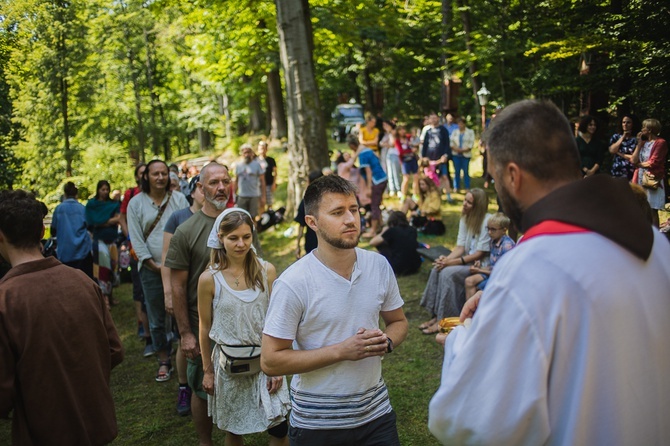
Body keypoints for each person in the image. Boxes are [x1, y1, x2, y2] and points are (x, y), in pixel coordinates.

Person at [428, 99, 670, 445]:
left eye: (495, 178)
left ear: (512, 175)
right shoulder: (655, 245)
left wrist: (461, 340)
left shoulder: (532, 266)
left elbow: (473, 422)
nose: (496, 187)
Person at [261, 174, 409, 446]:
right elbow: (271, 360)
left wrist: (386, 342)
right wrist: (341, 351)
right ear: (312, 222)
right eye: (338, 212)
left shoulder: (378, 266)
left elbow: (398, 321)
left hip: (376, 414)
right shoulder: (293, 283)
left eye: (354, 209)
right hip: (318, 425)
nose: (351, 219)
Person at [0, 189, 124, 445]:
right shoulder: (81, 280)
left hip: (44, 430)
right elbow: (113, 349)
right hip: (96, 423)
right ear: (42, 231)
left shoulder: (6, 299)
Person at [198, 208, 290, 445]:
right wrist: (207, 370)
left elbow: (277, 320)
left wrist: (277, 366)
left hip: (266, 360)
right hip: (230, 365)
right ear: (220, 238)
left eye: (246, 237)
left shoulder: (266, 271)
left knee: (279, 427)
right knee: (234, 429)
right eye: (233, 238)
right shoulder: (209, 279)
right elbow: (204, 326)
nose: (241, 244)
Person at [165, 162, 232, 446]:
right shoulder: (187, 230)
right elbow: (178, 286)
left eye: (225, 181)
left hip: (237, 325)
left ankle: (233, 437)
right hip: (201, 324)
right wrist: (186, 333)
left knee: (234, 386)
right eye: (214, 182)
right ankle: (206, 442)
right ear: (201, 189)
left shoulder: (240, 222)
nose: (221, 187)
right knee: (202, 388)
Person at [127, 160, 189, 383]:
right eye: (156, 174)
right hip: (150, 268)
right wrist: (152, 263)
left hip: (179, 267)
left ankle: (185, 351)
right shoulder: (136, 203)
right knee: (156, 315)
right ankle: (164, 358)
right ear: (147, 177)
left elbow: (185, 230)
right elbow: (135, 237)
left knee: (182, 310)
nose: (161, 177)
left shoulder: (179, 199)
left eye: (164, 173)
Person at [160, 174, 204, 416]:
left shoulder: (219, 217)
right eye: (201, 187)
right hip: (183, 291)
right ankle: (184, 387)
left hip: (209, 295)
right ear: (195, 190)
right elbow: (166, 256)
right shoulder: (178, 218)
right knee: (185, 342)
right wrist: (168, 292)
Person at [418, 188, 491, 334]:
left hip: (480, 266)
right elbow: (460, 247)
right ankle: (435, 314)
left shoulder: (487, 221)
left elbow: (479, 254)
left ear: (478, 206)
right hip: (468, 262)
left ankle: (444, 319)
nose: (464, 204)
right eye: (465, 200)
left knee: (447, 274)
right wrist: (445, 259)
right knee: (437, 268)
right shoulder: (465, 218)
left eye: (469, 202)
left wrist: (451, 263)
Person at [119, 163, 152, 355]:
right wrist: (129, 235)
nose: (143, 177)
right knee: (139, 290)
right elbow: (122, 217)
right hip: (136, 250)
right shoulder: (131, 195)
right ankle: (143, 324)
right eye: (141, 174)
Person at [86, 180, 121, 307]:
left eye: (107, 189)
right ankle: (105, 298)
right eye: (102, 189)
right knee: (102, 269)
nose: (105, 192)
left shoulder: (112, 204)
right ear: (98, 190)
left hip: (112, 239)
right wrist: (107, 221)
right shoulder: (92, 204)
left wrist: (102, 221)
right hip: (99, 240)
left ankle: (110, 296)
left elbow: (119, 218)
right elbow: (92, 221)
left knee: (113, 267)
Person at [464, 212, 515, 298]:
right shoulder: (493, 241)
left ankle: (477, 310)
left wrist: (479, 270)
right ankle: (470, 310)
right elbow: (492, 265)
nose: (489, 232)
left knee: (479, 290)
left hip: (501, 277)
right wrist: (479, 267)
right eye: (488, 228)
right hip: (491, 273)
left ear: (504, 230)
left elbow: (503, 272)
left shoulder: (507, 246)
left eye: (493, 229)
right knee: (469, 281)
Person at [51, 181, 94, 278]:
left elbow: (53, 230)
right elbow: (90, 226)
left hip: (64, 252)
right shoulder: (82, 209)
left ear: (65, 194)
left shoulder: (59, 209)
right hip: (82, 252)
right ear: (76, 194)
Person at [631, 118, 668, 227]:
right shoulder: (643, 143)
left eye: (644, 127)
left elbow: (654, 162)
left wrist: (639, 164)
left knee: (652, 209)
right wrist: (639, 144)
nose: (641, 129)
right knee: (641, 207)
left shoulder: (661, 143)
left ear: (650, 129)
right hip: (640, 178)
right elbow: (633, 160)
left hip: (652, 179)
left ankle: (656, 236)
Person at [353, 136, 388, 237]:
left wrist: (368, 187)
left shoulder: (362, 155)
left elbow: (368, 172)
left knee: (374, 205)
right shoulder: (368, 150)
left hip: (376, 180)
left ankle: (373, 231)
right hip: (383, 178)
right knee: (376, 203)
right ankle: (381, 225)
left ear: (352, 146)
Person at [369, 210, 422, 276]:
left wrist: (383, 231)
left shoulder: (392, 231)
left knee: (381, 245)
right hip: (415, 265)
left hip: (398, 267)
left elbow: (372, 242)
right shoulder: (412, 229)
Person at [421, 112, 453, 202]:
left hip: (441, 158)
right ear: (429, 120)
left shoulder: (443, 130)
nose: (433, 120)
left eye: (435, 118)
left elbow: (447, 143)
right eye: (432, 118)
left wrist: (446, 155)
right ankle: (431, 194)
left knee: (444, 176)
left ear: (438, 119)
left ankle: (448, 195)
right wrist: (423, 157)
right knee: (430, 178)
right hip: (430, 159)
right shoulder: (428, 132)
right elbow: (425, 146)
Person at [294, 170, 323, 258]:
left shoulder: (306, 202)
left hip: (311, 244)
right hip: (328, 243)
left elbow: (301, 226)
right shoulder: (332, 201)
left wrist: (297, 245)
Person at [234, 143, 266, 219]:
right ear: (242, 154)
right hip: (242, 196)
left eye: (248, 152)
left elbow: (263, 181)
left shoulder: (257, 165)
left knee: (253, 217)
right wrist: (234, 194)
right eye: (245, 152)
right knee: (241, 218)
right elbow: (236, 181)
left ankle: (254, 231)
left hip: (254, 195)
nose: (247, 154)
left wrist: (263, 196)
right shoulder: (239, 165)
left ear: (252, 153)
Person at [608, 115, 638, 180]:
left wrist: (619, 153)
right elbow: (612, 150)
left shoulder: (636, 139)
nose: (625, 124)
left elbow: (634, 158)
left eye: (628, 122)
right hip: (617, 171)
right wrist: (623, 137)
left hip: (631, 172)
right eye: (623, 122)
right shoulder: (616, 137)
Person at [449, 117, 475, 192]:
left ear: (464, 124)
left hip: (465, 155)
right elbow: (451, 142)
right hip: (456, 154)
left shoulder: (470, 132)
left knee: (466, 171)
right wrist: (456, 149)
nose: (460, 125)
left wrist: (462, 150)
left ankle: (467, 187)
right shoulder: (455, 132)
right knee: (456, 171)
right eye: (458, 124)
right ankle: (456, 187)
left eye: (461, 123)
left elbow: (471, 144)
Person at [396, 125, 419, 200]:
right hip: (405, 161)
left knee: (416, 177)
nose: (402, 131)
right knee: (406, 178)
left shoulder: (409, 137)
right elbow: (401, 152)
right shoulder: (397, 140)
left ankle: (415, 194)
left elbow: (415, 142)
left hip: (413, 159)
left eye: (403, 129)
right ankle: (403, 195)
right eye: (400, 130)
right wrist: (410, 151)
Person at [257, 140, 278, 208]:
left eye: (264, 148)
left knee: (270, 203)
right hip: (258, 185)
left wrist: (274, 183)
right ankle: (261, 217)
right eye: (261, 148)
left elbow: (275, 172)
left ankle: (270, 216)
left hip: (269, 184)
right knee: (260, 204)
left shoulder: (271, 160)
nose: (262, 150)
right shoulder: (255, 160)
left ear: (266, 149)